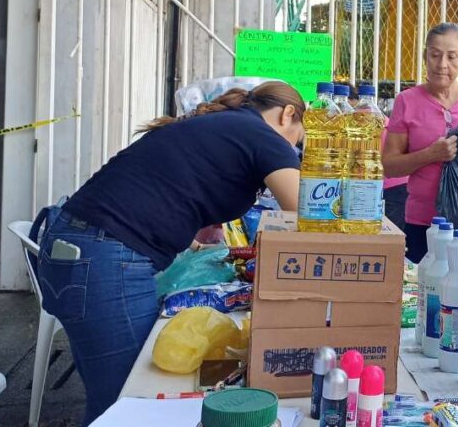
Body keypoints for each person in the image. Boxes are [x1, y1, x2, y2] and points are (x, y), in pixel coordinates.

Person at [37, 81, 305, 425]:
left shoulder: (226, 125)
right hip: (105, 257)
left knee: (112, 402)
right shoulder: (262, 133)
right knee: (132, 403)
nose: (294, 149)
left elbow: (174, 184)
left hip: (78, 250)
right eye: (298, 139)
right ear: (288, 115)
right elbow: (304, 212)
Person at [383, 23, 458, 262]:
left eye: (452, 57)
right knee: (423, 292)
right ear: (425, 56)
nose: (442, 65)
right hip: (422, 222)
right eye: (435, 55)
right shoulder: (407, 101)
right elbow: (390, 165)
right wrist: (430, 154)